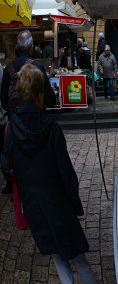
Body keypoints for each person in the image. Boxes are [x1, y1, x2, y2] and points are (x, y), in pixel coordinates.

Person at [0, 64, 97, 284]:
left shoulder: (11, 128)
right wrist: (74, 203)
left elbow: (7, 166)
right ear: (40, 93)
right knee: (76, 255)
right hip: (57, 201)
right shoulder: (51, 128)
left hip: (33, 203)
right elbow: (65, 171)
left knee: (57, 254)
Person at [1, 30, 57, 194]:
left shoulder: (8, 69)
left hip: (15, 125)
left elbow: (4, 102)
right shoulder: (37, 67)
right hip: (37, 128)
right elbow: (51, 101)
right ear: (32, 47)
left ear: (18, 46)